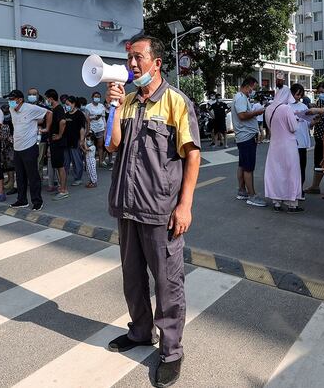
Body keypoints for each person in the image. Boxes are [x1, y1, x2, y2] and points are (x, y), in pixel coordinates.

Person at [104, 35, 200, 387]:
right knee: (132, 279)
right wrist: (113, 107)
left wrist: (185, 205)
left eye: (138, 57)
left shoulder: (176, 102)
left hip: (161, 211)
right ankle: (141, 332)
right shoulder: (126, 101)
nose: (131, 64)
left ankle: (171, 351)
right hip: (127, 208)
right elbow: (113, 145)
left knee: (168, 283)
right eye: (129, 58)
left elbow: (192, 154)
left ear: (156, 63)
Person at [5, 89, 51, 211]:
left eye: (12, 99)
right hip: (17, 147)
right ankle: (22, 200)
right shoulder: (11, 109)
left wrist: (46, 128)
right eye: (9, 100)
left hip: (29, 147)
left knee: (33, 176)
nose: (10, 102)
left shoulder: (30, 108)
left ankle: (37, 201)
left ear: (20, 100)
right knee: (20, 176)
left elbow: (49, 113)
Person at [264, 87, 303, 212]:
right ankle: (292, 203)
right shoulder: (286, 108)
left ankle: (276, 202)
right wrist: (296, 120)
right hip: (288, 145)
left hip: (274, 145)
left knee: (276, 173)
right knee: (291, 173)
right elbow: (293, 128)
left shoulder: (268, 108)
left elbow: (270, 126)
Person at [231, 77, 266, 207]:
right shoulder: (240, 97)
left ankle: (242, 191)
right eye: (253, 88)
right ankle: (252, 195)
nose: (253, 91)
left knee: (243, 165)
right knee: (248, 168)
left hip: (244, 136)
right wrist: (258, 112)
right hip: (246, 137)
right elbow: (242, 115)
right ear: (248, 86)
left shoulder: (241, 97)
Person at [305, 82, 324, 195]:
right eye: (319, 92)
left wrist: (318, 111)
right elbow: (317, 117)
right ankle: (315, 186)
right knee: (318, 162)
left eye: (322, 92)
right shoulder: (320, 102)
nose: (320, 94)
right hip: (319, 136)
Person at [45, 89, 69, 200]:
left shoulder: (58, 109)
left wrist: (59, 135)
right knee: (58, 166)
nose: (46, 100)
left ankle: (63, 190)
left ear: (51, 98)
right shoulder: (54, 109)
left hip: (58, 142)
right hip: (54, 142)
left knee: (60, 166)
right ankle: (61, 188)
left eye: (47, 98)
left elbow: (63, 122)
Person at [290, 84, 311, 201]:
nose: (298, 97)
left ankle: (300, 189)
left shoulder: (303, 106)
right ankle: (291, 190)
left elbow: (308, 124)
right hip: (290, 141)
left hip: (302, 142)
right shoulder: (286, 107)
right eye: (297, 94)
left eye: (300, 94)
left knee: (301, 167)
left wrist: (314, 120)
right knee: (291, 168)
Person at [63, 95, 87, 188]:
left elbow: (82, 128)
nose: (66, 106)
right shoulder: (66, 114)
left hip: (75, 141)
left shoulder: (79, 114)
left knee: (77, 160)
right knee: (66, 161)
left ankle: (78, 178)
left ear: (73, 104)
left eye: (68, 104)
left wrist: (81, 140)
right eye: (65, 104)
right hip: (66, 141)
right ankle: (64, 177)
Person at [85, 91, 109, 167]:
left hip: (100, 128)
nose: (97, 98)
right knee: (90, 145)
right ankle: (89, 162)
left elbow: (103, 118)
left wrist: (105, 128)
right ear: (92, 97)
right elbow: (86, 118)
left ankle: (101, 161)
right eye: (95, 96)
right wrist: (93, 117)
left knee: (100, 146)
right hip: (91, 128)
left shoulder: (102, 106)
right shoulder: (88, 107)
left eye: (98, 97)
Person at [0, 105, 17, 195]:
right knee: (7, 164)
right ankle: (10, 180)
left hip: (11, 144)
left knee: (12, 164)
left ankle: (12, 182)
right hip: (5, 145)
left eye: (6, 112)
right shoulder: (3, 121)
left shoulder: (12, 121)